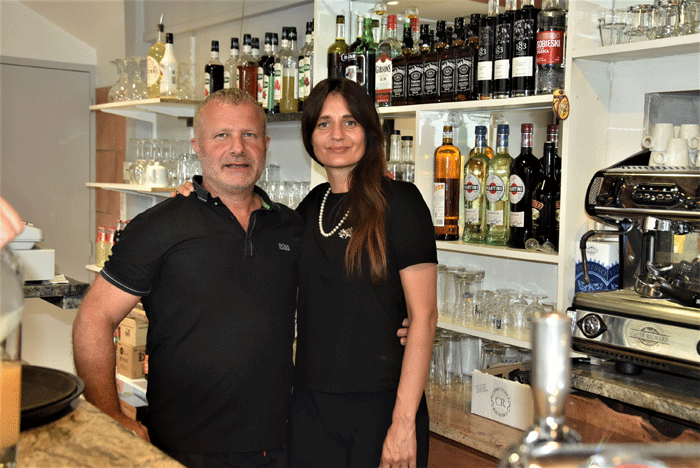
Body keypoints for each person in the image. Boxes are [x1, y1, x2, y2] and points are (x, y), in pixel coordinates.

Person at [72, 88, 303, 468]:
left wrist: (403, 319)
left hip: (276, 445)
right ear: (197, 146)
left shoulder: (291, 226)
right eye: (221, 136)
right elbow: (93, 318)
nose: (237, 148)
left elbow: (334, 293)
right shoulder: (159, 226)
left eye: (249, 135)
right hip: (181, 449)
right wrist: (108, 413)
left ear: (266, 144)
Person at [288, 78, 437, 468]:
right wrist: (199, 195)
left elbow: (424, 316)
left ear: (370, 132)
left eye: (349, 122)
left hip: (383, 408)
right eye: (323, 123)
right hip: (310, 408)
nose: (336, 135)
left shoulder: (401, 204)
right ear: (310, 135)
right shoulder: (309, 208)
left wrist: (403, 424)